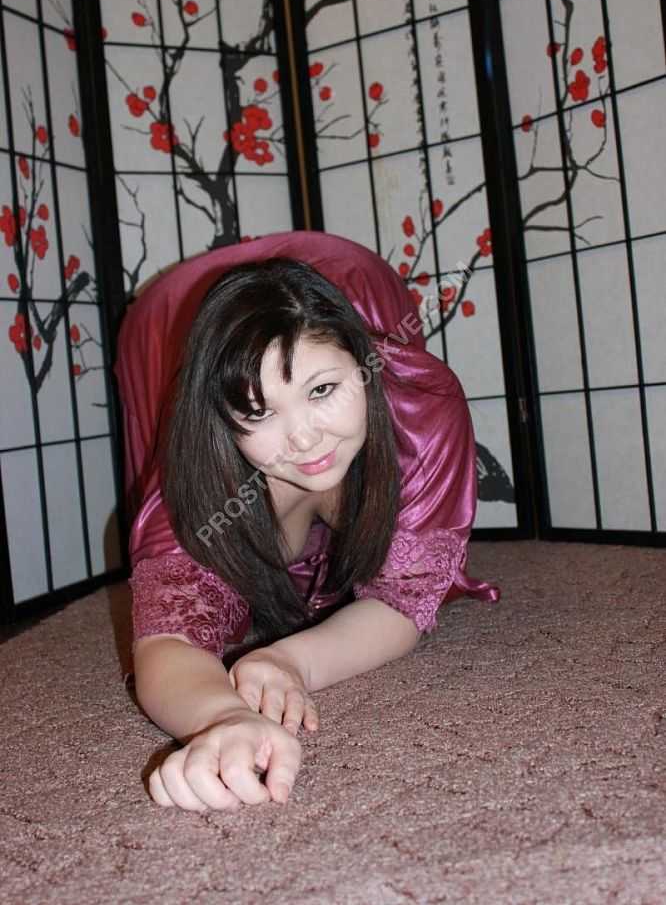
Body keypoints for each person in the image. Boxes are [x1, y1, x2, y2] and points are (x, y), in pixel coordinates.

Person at [114, 230, 500, 814]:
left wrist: (290, 660)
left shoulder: (421, 410)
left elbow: (403, 601)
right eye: (257, 411)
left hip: (354, 272)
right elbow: (168, 641)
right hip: (169, 314)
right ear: (223, 423)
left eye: (322, 390)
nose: (303, 437)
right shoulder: (197, 485)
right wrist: (222, 716)